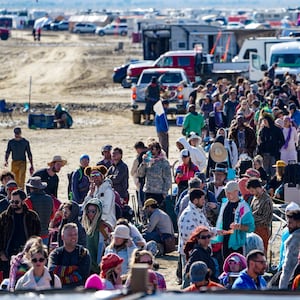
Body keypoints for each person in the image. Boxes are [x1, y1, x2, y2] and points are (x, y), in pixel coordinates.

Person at [0, 189, 41, 278]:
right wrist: (1, 253)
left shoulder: (32, 216)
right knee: (8, 282)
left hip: (27, 255)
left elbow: (37, 236)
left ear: (23, 201)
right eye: (12, 201)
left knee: (25, 282)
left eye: (16, 202)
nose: (13, 204)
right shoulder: (4, 217)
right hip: (8, 255)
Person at [212, 181, 255, 261]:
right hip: (224, 241)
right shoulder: (225, 203)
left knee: (237, 267)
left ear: (236, 192)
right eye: (226, 192)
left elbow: (251, 227)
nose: (227, 194)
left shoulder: (243, 207)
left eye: (229, 193)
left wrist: (239, 226)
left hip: (237, 244)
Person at [48, 222, 91, 289]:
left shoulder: (83, 253)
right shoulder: (55, 254)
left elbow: (81, 275)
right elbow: (51, 271)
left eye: (75, 234)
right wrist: (73, 268)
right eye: (70, 235)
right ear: (62, 237)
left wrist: (61, 278)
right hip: (60, 292)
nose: (73, 237)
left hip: (79, 292)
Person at [81, 198, 112, 274]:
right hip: (87, 265)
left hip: (100, 266)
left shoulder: (103, 227)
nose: (90, 214)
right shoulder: (85, 226)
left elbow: (110, 244)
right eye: (88, 211)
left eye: (93, 211)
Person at [137, 141, 172, 206]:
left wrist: (164, 192)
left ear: (158, 150)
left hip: (159, 192)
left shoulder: (164, 162)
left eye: (152, 149)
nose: (151, 152)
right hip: (148, 191)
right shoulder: (148, 161)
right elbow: (140, 174)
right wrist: (144, 163)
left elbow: (168, 179)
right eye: (150, 150)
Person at [246, 178, 273, 254]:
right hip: (253, 229)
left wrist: (251, 217)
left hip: (262, 230)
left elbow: (265, 218)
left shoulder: (267, 200)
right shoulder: (254, 198)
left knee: (261, 252)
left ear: (257, 188)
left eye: (252, 190)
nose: (251, 193)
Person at [25, 176, 53, 244]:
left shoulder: (29, 200)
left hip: (32, 235)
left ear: (31, 188)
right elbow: (52, 215)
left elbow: (27, 217)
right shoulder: (49, 199)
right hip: (45, 234)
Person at [257, 113, 285, 177]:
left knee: (273, 171)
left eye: (265, 121)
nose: (264, 123)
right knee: (265, 170)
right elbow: (260, 141)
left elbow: (282, 141)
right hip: (265, 153)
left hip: (274, 153)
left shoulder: (276, 129)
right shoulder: (263, 130)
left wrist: (277, 147)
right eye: (263, 121)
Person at [279, 209, 300, 289]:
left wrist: (284, 286)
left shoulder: (295, 239)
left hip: (291, 278)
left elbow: (289, 265)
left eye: (290, 223)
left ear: (298, 223)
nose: (287, 225)